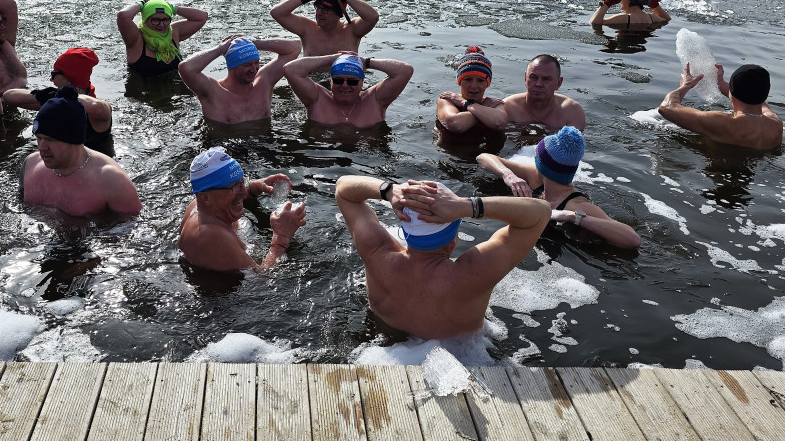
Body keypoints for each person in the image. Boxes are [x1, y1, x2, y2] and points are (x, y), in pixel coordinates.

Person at [334, 175, 550, 339]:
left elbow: (343, 187)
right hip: (460, 360)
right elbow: (540, 212)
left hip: (384, 343)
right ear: (453, 239)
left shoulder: (376, 253)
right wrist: (468, 206)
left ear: (406, 229)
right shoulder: (474, 273)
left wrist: (389, 190)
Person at [476, 127, 641, 248]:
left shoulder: (577, 205)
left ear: (543, 163)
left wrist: (572, 217)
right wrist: (508, 175)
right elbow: (483, 157)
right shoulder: (536, 178)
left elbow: (633, 240)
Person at [178, 147, 306, 271]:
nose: (243, 191)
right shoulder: (212, 237)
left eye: (242, 182)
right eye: (235, 187)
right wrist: (281, 239)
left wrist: (253, 189)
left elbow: (229, 193)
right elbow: (263, 281)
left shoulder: (201, 204)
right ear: (205, 198)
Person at [20, 86, 141, 216]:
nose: (42, 147)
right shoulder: (30, 165)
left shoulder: (110, 180)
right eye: (39, 138)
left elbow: (134, 229)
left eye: (51, 140)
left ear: (74, 140)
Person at [4, 47, 115, 156]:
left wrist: (62, 96)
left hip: (95, 169)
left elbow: (98, 106)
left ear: (68, 77)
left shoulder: (98, 111)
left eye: (54, 74)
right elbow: (9, 95)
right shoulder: (55, 101)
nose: (51, 79)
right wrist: (40, 95)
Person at [178, 35, 302, 124]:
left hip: (263, 151)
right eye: (247, 65)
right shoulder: (213, 92)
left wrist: (254, 43)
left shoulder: (264, 83)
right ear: (232, 66)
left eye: (256, 63)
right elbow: (186, 68)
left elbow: (295, 47)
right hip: (226, 153)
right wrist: (220, 49)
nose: (254, 70)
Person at [658, 63, 782, 150]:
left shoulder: (721, 122)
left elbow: (666, 108)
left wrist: (686, 85)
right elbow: (754, 98)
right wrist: (720, 83)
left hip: (719, 176)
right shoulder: (775, 124)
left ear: (731, 94)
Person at [284, 52, 413, 127]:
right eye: (338, 80)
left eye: (352, 81)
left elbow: (405, 71)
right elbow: (290, 69)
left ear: (362, 83)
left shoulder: (375, 100)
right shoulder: (317, 98)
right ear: (331, 81)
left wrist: (366, 62)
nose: (345, 86)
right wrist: (333, 58)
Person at [270, 0, 379, 56]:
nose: (319, 13)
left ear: (338, 14)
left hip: (345, 84)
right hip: (312, 84)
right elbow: (277, 13)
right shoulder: (307, 29)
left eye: (326, 9)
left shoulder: (352, 30)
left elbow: (373, 17)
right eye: (318, 8)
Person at [117, 0, 208, 79]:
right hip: (145, 95)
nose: (161, 25)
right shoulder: (136, 39)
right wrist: (141, 4)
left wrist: (172, 8)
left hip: (173, 94)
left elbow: (202, 17)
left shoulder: (174, 32)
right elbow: (123, 16)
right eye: (155, 20)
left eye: (165, 19)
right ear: (145, 20)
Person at [503, 54, 585, 131]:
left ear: (558, 83)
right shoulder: (509, 108)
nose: (538, 84)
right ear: (525, 78)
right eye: (533, 77)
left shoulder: (571, 112)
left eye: (546, 79)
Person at [436, 46, 508, 134]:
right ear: (459, 82)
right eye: (468, 79)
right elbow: (455, 124)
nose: (474, 86)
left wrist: (465, 104)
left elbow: (499, 123)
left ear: (487, 84)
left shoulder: (494, 103)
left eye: (480, 80)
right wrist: (484, 111)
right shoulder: (447, 99)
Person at [590, 0, 671, 28]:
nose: (621, 0)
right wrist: (655, 5)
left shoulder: (623, 18)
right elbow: (667, 20)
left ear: (629, 0)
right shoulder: (652, 17)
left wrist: (607, 3)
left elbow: (595, 23)